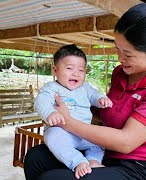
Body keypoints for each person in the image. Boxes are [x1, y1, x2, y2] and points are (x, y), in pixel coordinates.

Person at [24, 1, 146, 179]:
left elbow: (126, 142)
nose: (120, 58)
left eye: (128, 54)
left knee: (52, 178)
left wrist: (67, 121)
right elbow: (108, 112)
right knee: (35, 158)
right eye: (118, 49)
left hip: (139, 165)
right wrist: (75, 103)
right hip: (108, 151)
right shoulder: (120, 73)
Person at [34, 44, 113, 179]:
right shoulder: (52, 88)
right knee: (52, 137)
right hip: (63, 133)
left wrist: (101, 99)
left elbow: (94, 95)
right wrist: (50, 113)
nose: (76, 73)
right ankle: (77, 162)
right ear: (55, 70)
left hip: (84, 132)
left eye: (81, 70)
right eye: (69, 68)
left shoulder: (85, 87)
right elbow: (41, 101)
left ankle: (93, 160)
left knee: (100, 141)